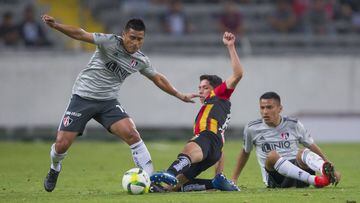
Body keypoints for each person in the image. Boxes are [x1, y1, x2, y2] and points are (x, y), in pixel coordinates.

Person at [41, 14, 198, 192]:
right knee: (61, 144)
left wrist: (180, 95)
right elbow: (81, 34)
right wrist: (56, 26)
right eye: (132, 38)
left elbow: (158, 79)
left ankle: (149, 181)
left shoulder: (140, 60)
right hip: (83, 98)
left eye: (140, 39)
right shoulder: (109, 42)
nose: (136, 43)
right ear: (123, 34)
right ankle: (55, 168)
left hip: (108, 102)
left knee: (132, 134)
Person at [149, 32, 243, 192]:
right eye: (199, 87)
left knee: (187, 150)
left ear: (215, 88)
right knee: (176, 186)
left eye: (205, 87)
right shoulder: (215, 106)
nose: (201, 91)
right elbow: (220, 144)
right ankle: (214, 184)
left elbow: (238, 74)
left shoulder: (219, 94)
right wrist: (219, 167)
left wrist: (231, 46)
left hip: (207, 138)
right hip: (215, 148)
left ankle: (168, 172)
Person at [231, 92, 341, 188]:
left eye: (269, 107)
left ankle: (324, 172)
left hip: (300, 173)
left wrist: (331, 167)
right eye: (262, 107)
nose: (265, 112)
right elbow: (245, 152)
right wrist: (234, 178)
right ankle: (315, 180)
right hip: (275, 177)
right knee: (272, 155)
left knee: (303, 152)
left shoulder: (294, 124)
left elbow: (312, 145)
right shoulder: (252, 128)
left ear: (280, 108)